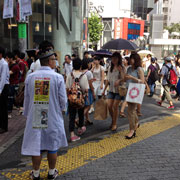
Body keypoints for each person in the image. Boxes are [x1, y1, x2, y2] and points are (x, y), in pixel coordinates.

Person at [21, 48, 68, 180]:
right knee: (52, 144)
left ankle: (35, 173)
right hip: (52, 114)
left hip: (36, 113)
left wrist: (26, 113)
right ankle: (52, 172)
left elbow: (27, 98)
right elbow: (62, 100)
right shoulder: (57, 77)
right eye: (55, 59)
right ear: (49, 61)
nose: (56, 62)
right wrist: (62, 110)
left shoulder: (30, 77)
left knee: (37, 144)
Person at [66, 58, 89, 142]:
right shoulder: (84, 76)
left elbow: (67, 88)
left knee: (71, 117)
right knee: (80, 114)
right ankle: (80, 129)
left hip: (71, 99)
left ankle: (72, 134)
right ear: (81, 66)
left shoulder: (70, 75)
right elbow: (86, 89)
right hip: (80, 99)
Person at [102, 52, 125, 131]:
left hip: (119, 90)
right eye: (112, 59)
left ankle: (114, 124)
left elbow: (124, 78)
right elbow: (108, 80)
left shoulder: (122, 67)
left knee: (115, 106)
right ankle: (113, 120)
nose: (113, 60)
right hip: (111, 89)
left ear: (119, 59)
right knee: (109, 106)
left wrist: (121, 72)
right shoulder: (110, 67)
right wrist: (104, 90)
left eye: (115, 58)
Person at [125, 53, 144, 139]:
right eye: (130, 58)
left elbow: (142, 81)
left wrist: (132, 78)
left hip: (136, 92)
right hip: (128, 91)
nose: (130, 60)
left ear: (136, 60)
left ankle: (132, 130)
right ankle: (136, 123)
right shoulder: (128, 68)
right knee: (131, 110)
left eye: (132, 59)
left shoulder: (139, 69)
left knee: (130, 111)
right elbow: (126, 78)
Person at [81, 59, 95, 125]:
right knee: (88, 106)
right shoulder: (89, 72)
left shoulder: (80, 71)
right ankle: (78, 119)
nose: (90, 64)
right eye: (89, 63)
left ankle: (87, 119)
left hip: (82, 90)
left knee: (85, 105)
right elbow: (90, 84)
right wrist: (93, 92)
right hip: (88, 90)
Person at [0, 47, 10, 134]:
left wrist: (0, 90)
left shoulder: (4, 64)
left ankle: (4, 126)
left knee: (3, 107)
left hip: (4, 86)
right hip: (1, 86)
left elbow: (3, 78)